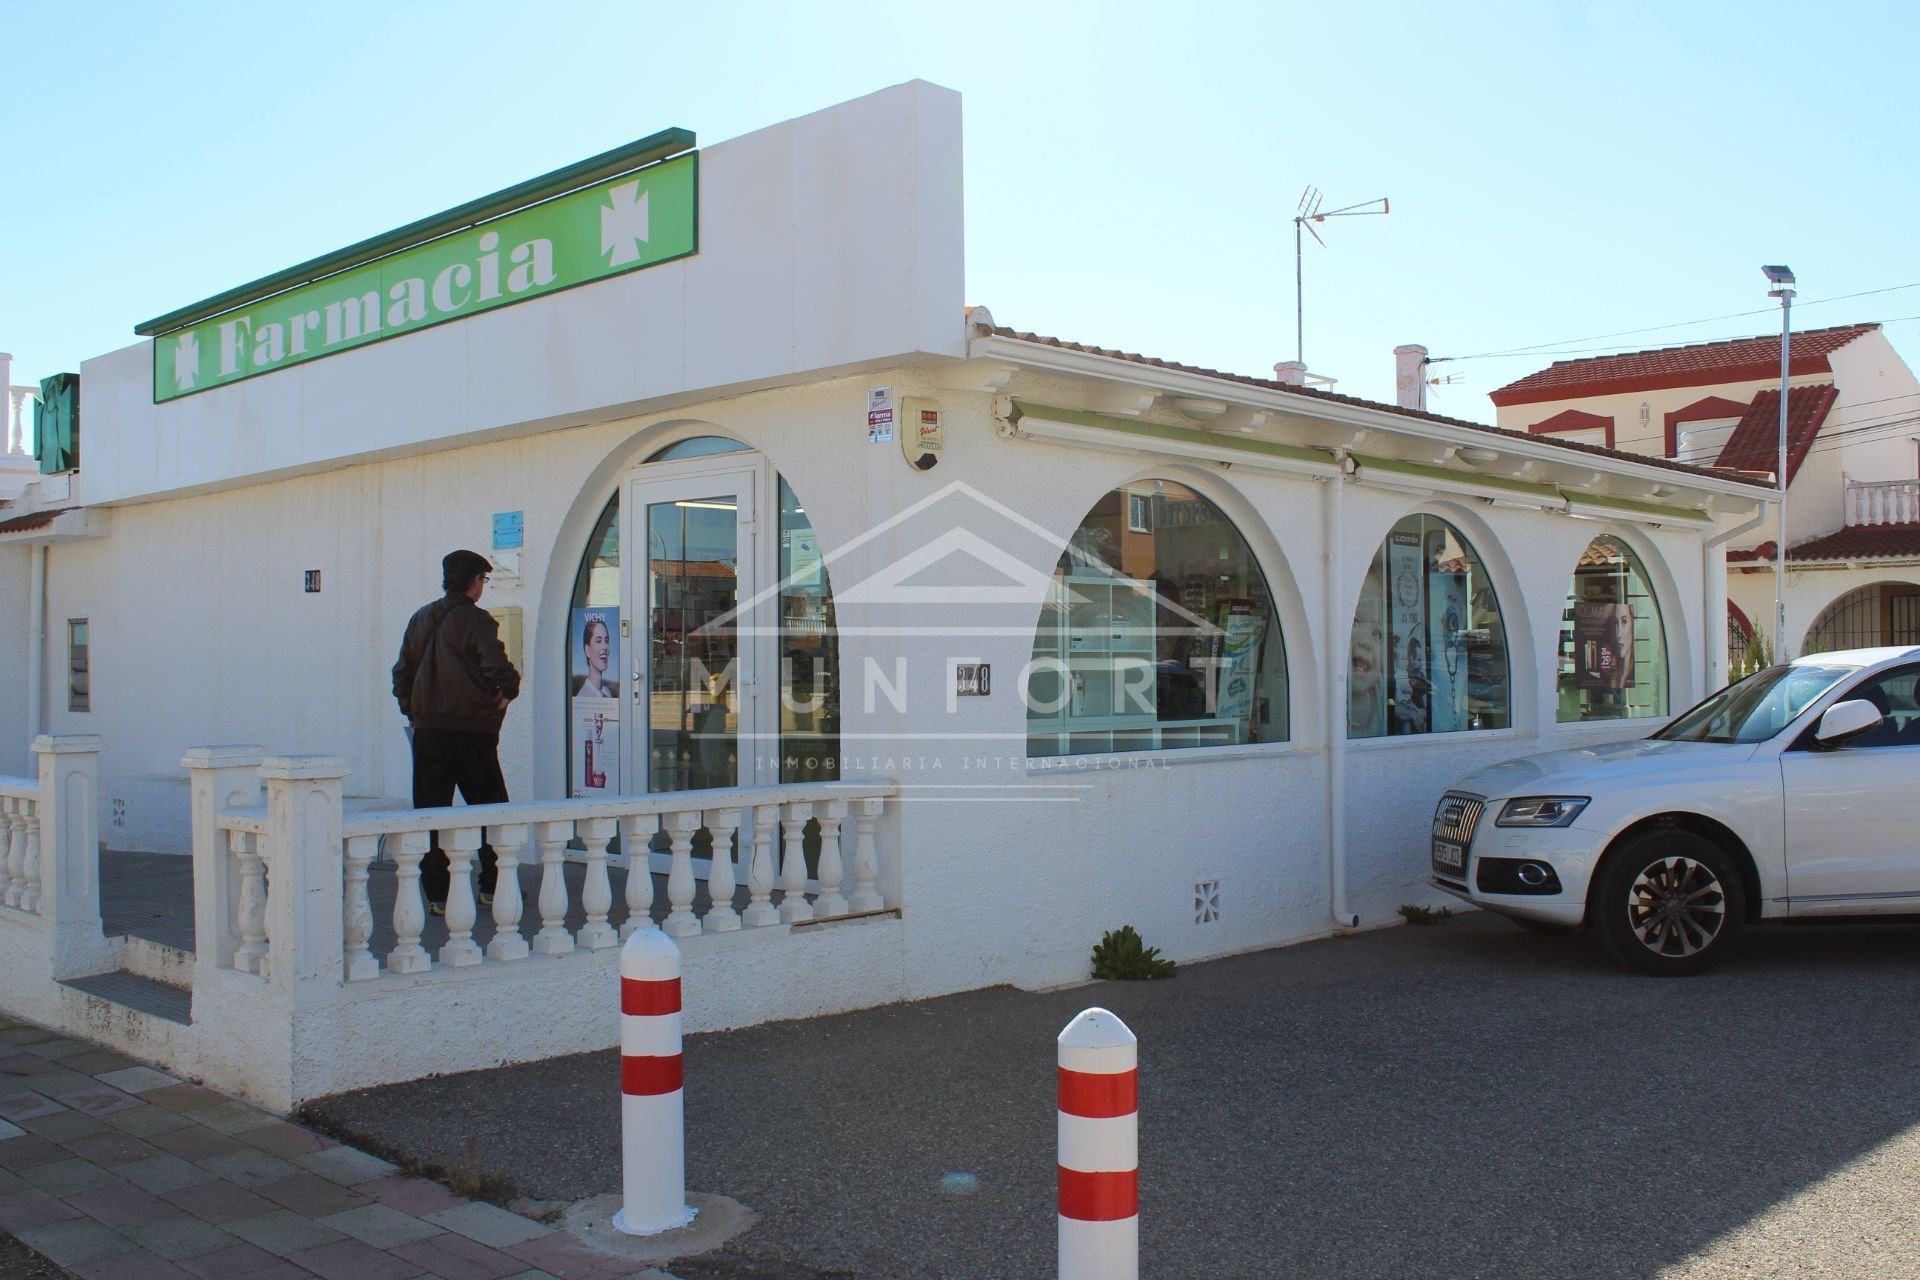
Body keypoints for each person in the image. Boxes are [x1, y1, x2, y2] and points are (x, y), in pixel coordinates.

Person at [392, 550, 521, 916]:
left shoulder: (421, 618)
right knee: (491, 812)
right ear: (476, 581)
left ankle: (437, 896)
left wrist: (414, 711)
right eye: (484, 580)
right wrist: (508, 690)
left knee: (430, 815)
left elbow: (401, 673)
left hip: (428, 732)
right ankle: (493, 889)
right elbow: (497, 666)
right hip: (471, 732)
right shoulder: (475, 620)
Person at [572, 615, 619, 698]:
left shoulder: (607, 692)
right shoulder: (583, 697)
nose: (605, 647)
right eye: (598, 641)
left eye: (606, 641)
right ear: (587, 650)